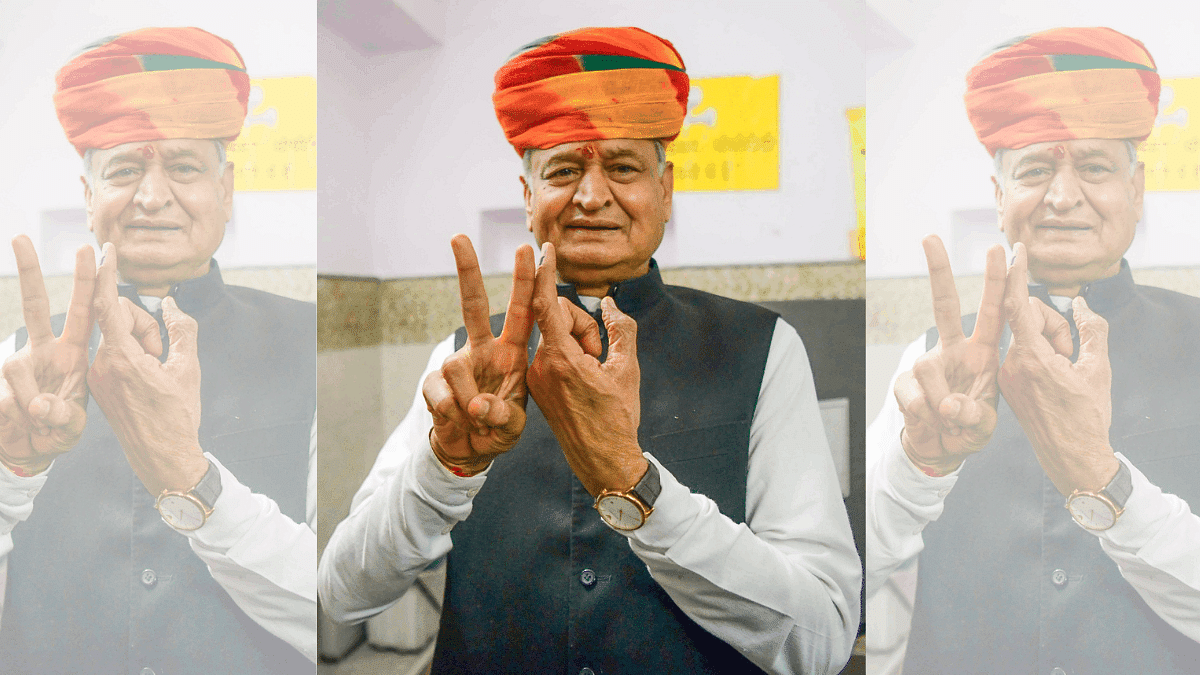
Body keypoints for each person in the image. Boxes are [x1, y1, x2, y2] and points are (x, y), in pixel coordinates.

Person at [318, 26, 860, 674]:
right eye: (564, 168)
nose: (592, 194)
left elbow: (823, 638)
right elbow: (341, 593)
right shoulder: (462, 361)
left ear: (665, 190)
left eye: (624, 167)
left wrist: (638, 485)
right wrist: (444, 468)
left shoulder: (762, 350)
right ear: (527, 198)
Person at [866, 27, 1200, 674]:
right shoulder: (932, 357)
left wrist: (1102, 479)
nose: (1063, 195)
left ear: (1136, 190)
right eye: (1036, 168)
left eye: (1095, 167)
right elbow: (853, 573)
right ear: (999, 198)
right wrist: (919, 464)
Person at [0, 28, 317, 673]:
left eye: (183, 167)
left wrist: (191, 482)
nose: (150, 196)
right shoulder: (16, 362)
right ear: (89, 197)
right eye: (123, 169)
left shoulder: (308, 345)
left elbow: (335, 609)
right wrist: (12, 473)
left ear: (225, 191)